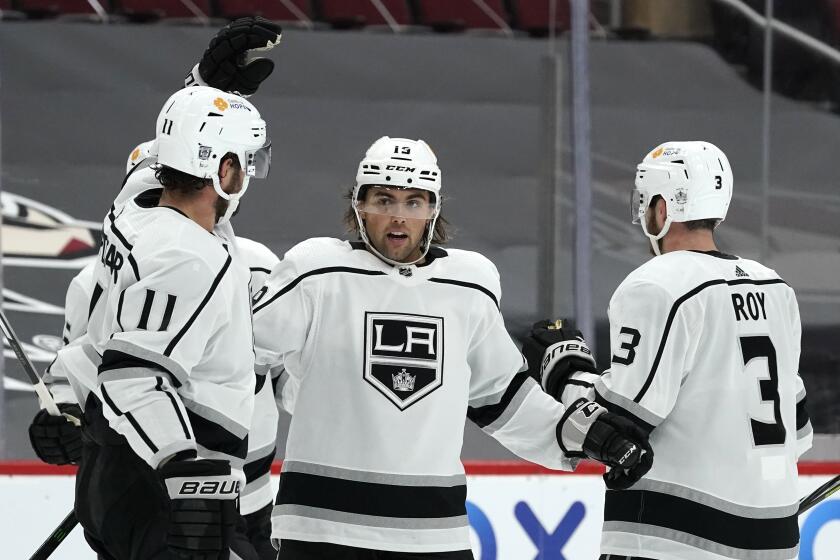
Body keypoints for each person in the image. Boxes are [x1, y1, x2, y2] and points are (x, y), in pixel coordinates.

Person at [251, 136, 653, 559]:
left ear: (433, 209)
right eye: (384, 200)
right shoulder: (316, 270)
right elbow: (239, 354)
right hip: (322, 531)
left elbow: (500, 398)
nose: (398, 217)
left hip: (434, 534)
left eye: (413, 202)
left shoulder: (468, 282)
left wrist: (577, 434)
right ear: (359, 204)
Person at [527, 141, 813, 560]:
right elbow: (798, 429)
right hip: (775, 538)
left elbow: (620, 426)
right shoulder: (774, 288)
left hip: (675, 536)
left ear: (661, 209)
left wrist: (566, 370)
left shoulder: (659, 284)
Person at [72, 84, 269, 560]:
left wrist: (205, 79)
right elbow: (132, 376)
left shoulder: (133, 205)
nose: (248, 174)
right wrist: (183, 469)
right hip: (163, 488)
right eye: (245, 161)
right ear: (223, 170)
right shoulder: (191, 258)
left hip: (110, 463)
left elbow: (158, 157)